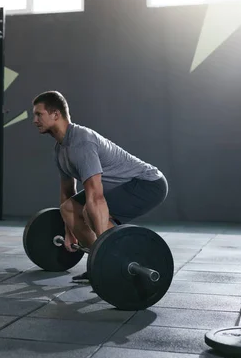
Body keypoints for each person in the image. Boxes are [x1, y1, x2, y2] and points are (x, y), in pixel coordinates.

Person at [32, 90, 168, 280]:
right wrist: (69, 232)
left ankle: (113, 264)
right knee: (69, 208)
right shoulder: (60, 150)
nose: (35, 120)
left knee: (90, 209)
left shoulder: (81, 142)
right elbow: (67, 194)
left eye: (39, 114)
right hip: (119, 186)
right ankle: (101, 263)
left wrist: (106, 243)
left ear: (55, 115)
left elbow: (95, 197)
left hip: (147, 183)